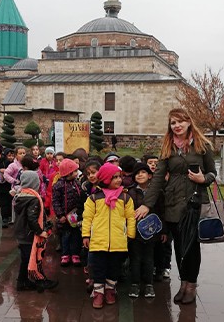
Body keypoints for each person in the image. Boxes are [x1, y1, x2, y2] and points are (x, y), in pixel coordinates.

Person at [136, 108, 217, 305]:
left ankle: (191, 285)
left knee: (191, 247)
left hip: (194, 202)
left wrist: (203, 178)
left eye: (180, 121)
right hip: (172, 203)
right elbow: (156, 179)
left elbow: (213, 173)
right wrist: (147, 204)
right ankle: (183, 283)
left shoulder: (202, 145)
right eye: (173, 123)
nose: (177, 126)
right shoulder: (168, 147)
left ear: (189, 122)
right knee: (179, 247)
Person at [82, 163, 136, 309]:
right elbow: (87, 218)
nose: (119, 180)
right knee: (98, 268)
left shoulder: (125, 198)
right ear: (105, 179)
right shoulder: (94, 198)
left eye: (120, 177)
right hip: (98, 241)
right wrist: (86, 235)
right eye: (115, 177)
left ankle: (110, 289)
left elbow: (130, 217)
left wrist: (130, 234)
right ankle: (98, 292)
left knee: (114, 268)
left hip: (118, 241)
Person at [13, 171, 59, 292]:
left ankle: (23, 281)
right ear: (34, 183)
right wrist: (39, 231)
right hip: (29, 234)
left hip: (21, 232)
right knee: (33, 257)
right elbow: (32, 218)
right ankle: (38, 280)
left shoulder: (20, 195)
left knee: (26, 258)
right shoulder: (33, 199)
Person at [127, 162, 163, 299]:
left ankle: (149, 284)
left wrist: (163, 231)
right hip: (135, 233)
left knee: (149, 258)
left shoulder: (157, 193)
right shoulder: (130, 193)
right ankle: (135, 284)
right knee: (135, 258)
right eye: (137, 173)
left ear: (150, 175)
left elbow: (161, 211)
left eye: (143, 172)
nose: (140, 175)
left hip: (152, 232)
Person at [52, 159, 84, 267]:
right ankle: (65, 254)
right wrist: (60, 215)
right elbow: (55, 201)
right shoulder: (59, 185)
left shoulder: (77, 183)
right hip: (64, 217)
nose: (77, 173)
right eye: (75, 171)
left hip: (75, 216)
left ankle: (75, 254)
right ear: (68, 172)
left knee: (76, 235)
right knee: (65, 236)